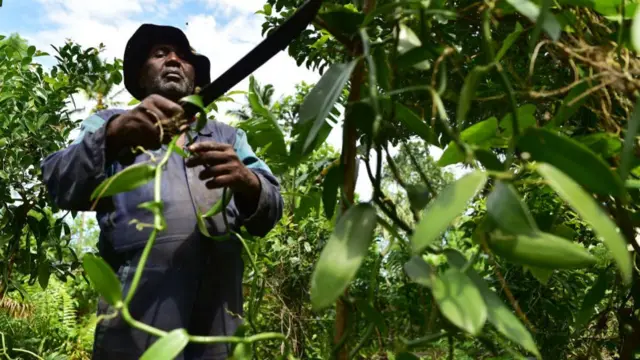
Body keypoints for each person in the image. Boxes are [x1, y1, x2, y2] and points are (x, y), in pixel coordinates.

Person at [40, 24, 283, 360]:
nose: (173, 60)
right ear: (141, 78)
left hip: (219, 322)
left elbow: (271, 206)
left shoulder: (228, 138)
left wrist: (247, 181)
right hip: (138, 321)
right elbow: (56, 180)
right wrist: (114, 136)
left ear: (196, 80)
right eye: (160, 54)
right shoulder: (111, 124)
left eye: (183, 57)